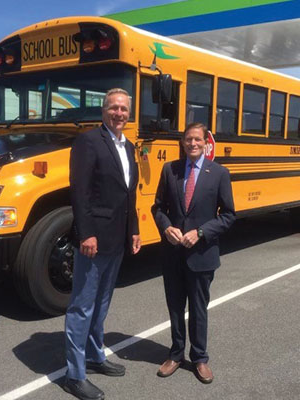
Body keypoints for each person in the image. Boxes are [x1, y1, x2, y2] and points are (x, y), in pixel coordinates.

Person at [64, 88, 141, 400]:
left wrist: (134, 230)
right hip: (94, 240)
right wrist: (86, 233)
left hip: (118, 238)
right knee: (82, 306)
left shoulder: (129, 146)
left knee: (102, 303)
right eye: (114, 108)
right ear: (103, 111)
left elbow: (129, 193)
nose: (119, 113)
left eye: (123, 109)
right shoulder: (89, 141)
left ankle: (95, 356)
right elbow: (79, 191)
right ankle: (74, 374)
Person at [152, 122, 235, 384]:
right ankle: (175, 355)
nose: (193, 144)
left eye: (198, 139)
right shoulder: (170, 170)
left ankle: (199, 358)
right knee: (175, 308)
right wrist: (166, 228)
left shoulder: (219, 173)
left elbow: (229, 215)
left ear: (206, 143)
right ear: (183, 143)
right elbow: (158, 208)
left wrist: (200, 232)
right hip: (173, 255)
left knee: (199, 309)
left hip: (202, 255)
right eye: (188, 139)